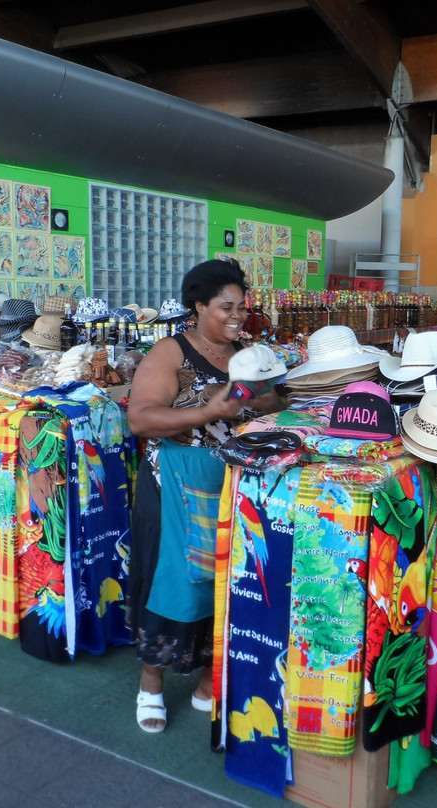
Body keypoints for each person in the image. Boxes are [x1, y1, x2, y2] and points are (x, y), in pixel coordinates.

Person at [126, 258, 282, 734]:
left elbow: (275, 398)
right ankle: (150, 684)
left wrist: (261, 398)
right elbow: (141, 418)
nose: (237, 316)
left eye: (241, 308)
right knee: (170, 580)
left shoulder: (248, 353)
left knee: (222, 580)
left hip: (229, 487)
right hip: (171, 486)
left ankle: (207, 683)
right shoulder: (170, 352)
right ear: (198, 306)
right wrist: (207, 411)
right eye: (226, 307)